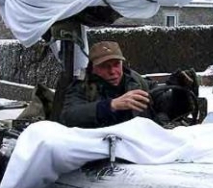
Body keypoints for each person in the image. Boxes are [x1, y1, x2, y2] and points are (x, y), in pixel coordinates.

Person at [60, 41, 198, 128]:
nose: (112, 71)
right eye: (104, 66)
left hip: (144, 151)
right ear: (93, 68)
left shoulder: (137, 82)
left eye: (116, 64)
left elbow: (172, 110)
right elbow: (69, 116)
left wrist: (180, 93)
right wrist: (111, 105)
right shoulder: (81, 87)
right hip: (103, 154)